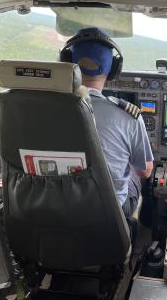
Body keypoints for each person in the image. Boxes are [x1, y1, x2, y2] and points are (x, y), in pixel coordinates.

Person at [60, 27, 154, 218]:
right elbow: (145, 170)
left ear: (68, 62)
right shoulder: (128, 116)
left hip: (59, 204)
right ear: (113, 70)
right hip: (109, 211)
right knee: (135, 173)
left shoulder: (46, 108)